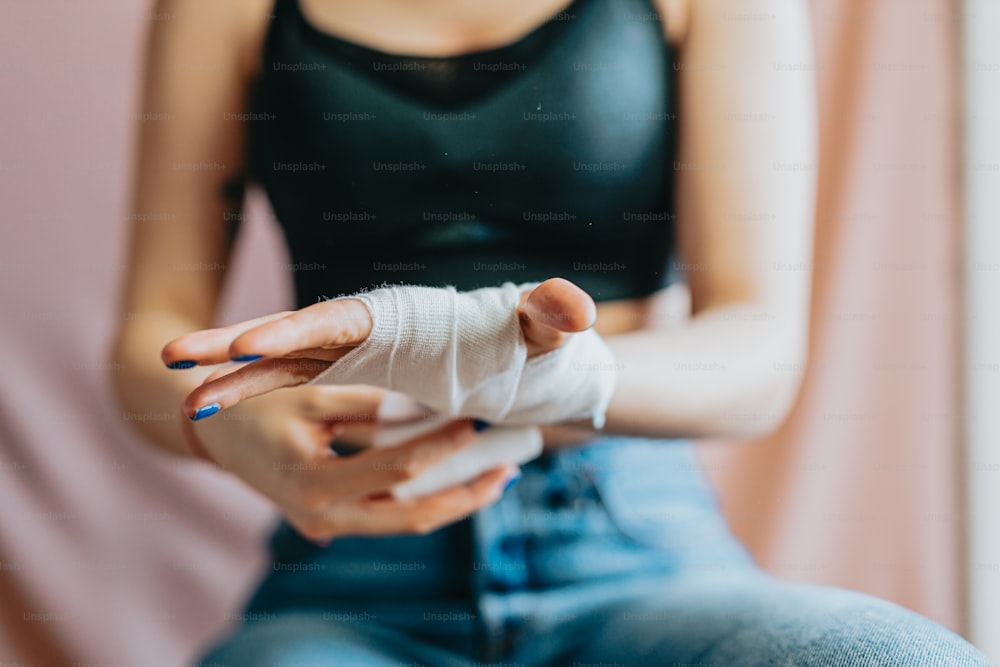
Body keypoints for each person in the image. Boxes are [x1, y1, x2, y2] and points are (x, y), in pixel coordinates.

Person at [111, 0, 992, 664]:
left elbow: (759, 352)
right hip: (350, 565)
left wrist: (534, 374)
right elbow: (150, 340)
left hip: (638, 544)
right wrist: (229, 430)